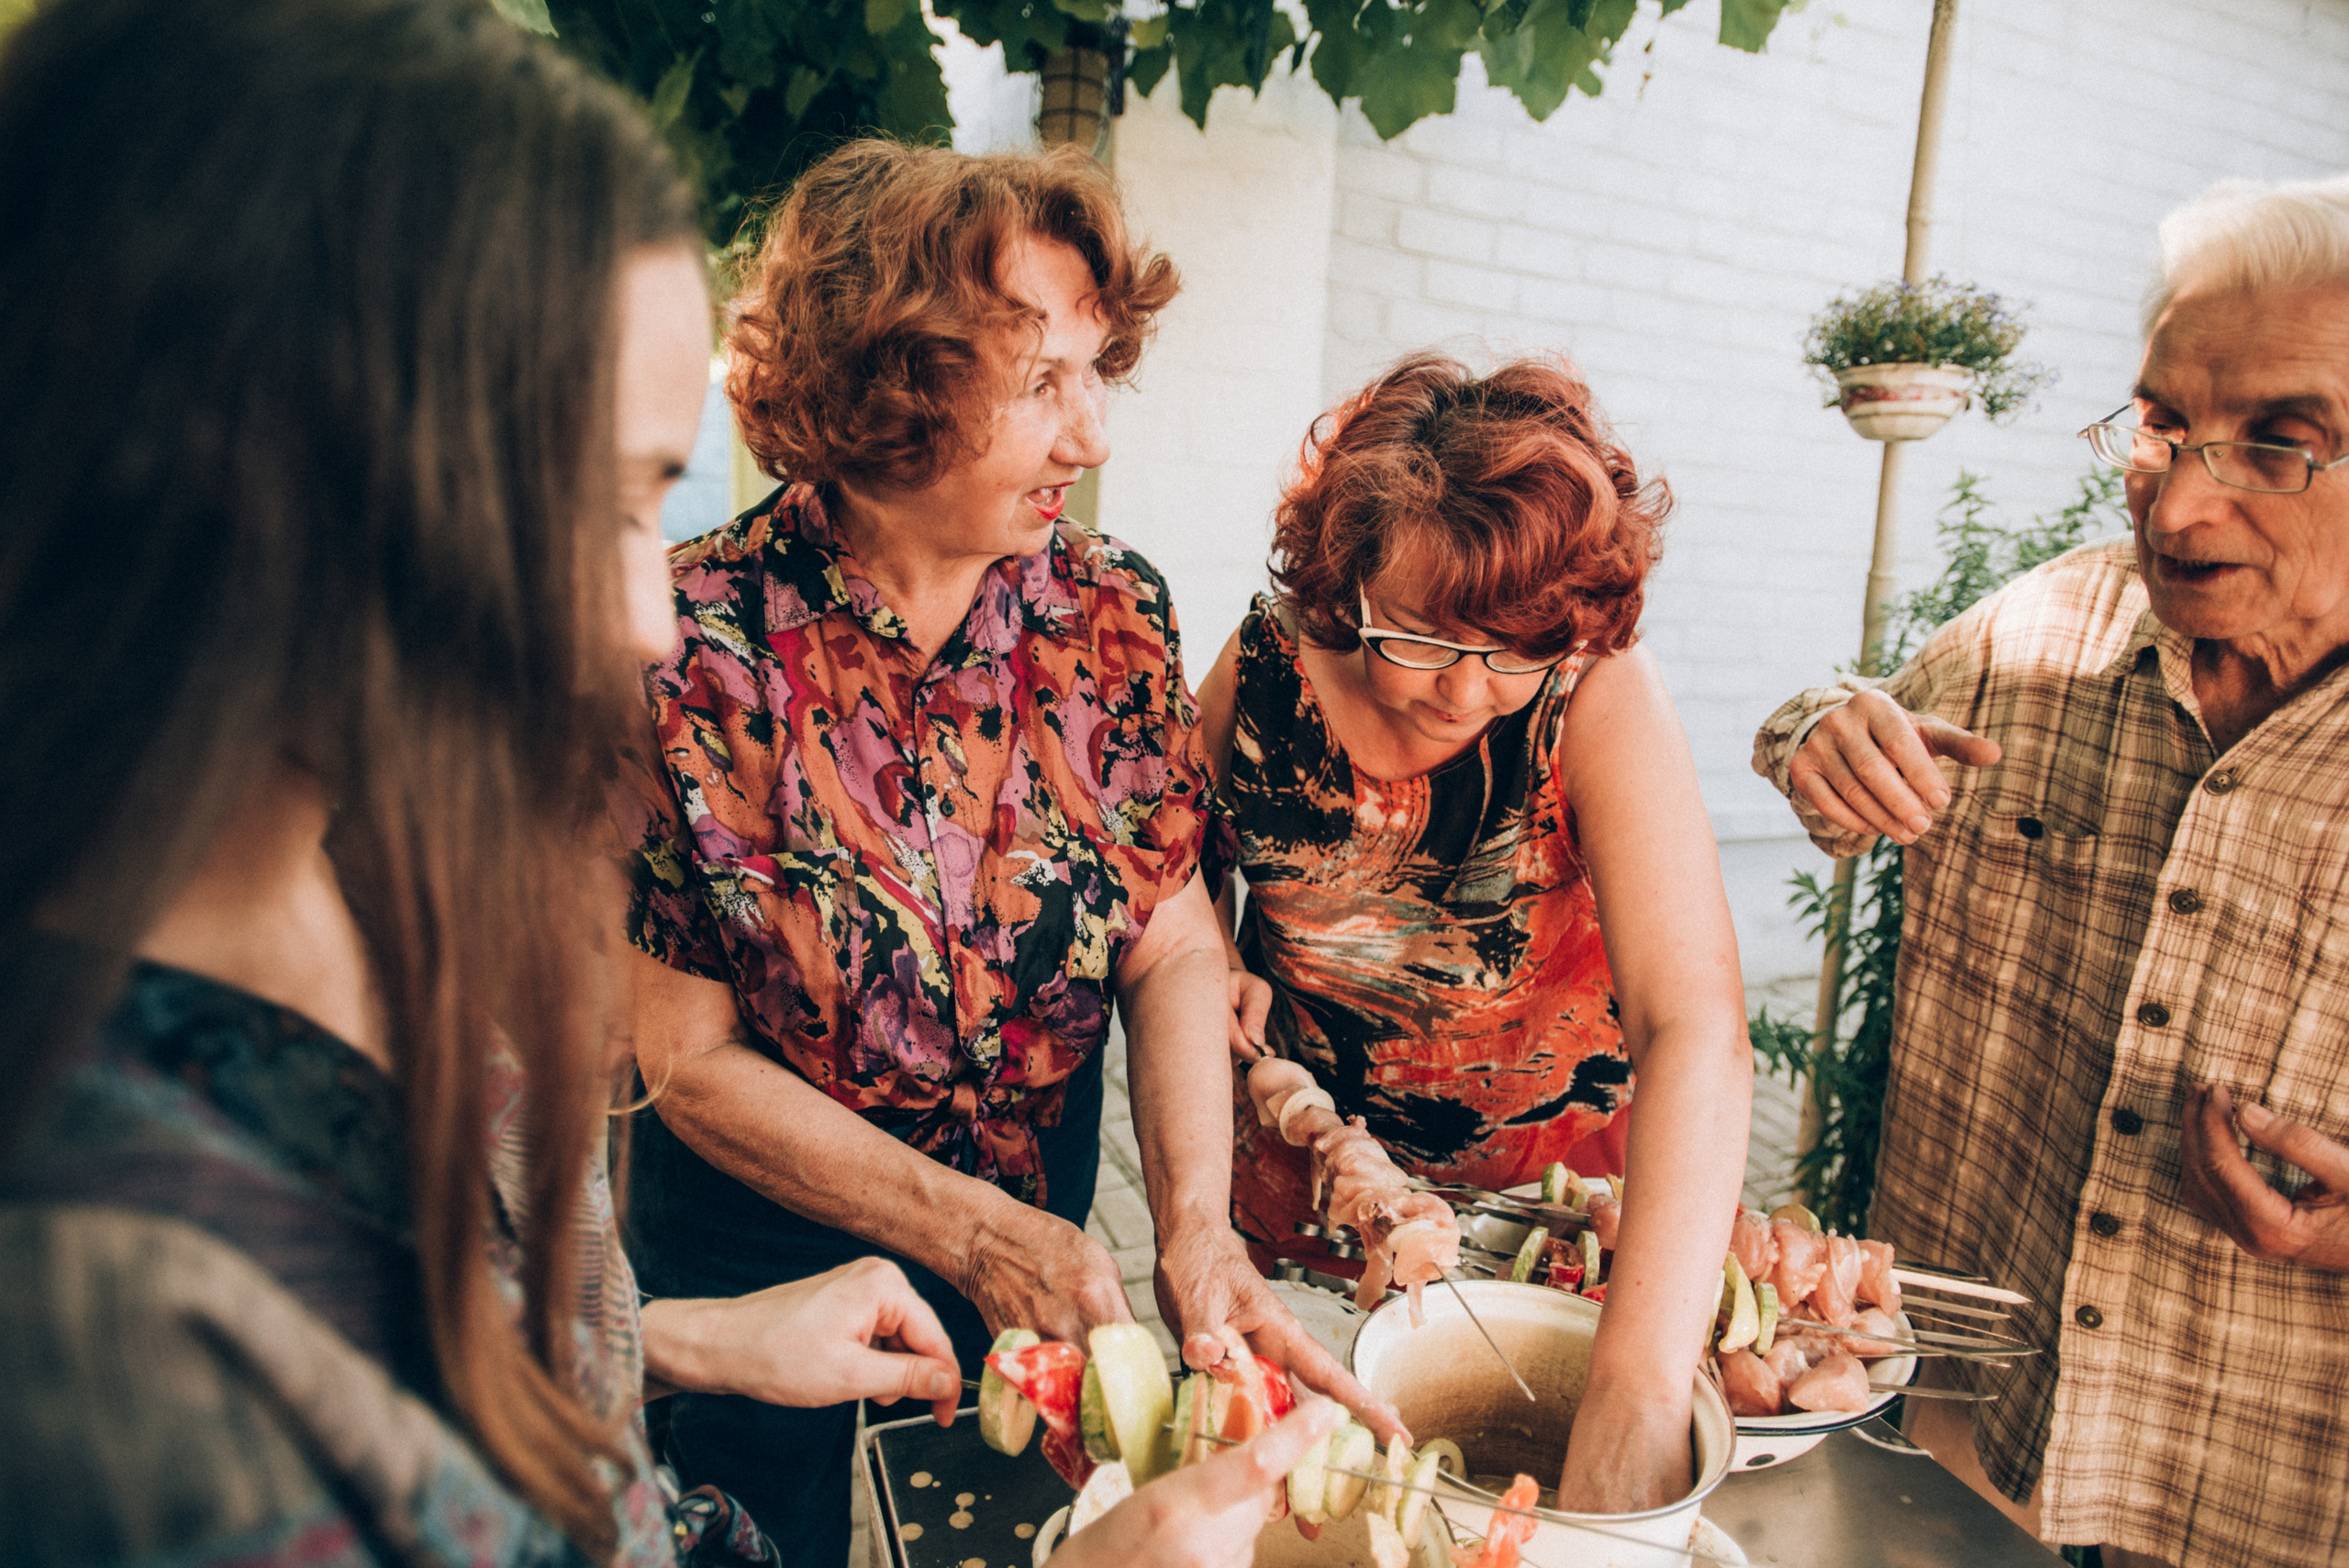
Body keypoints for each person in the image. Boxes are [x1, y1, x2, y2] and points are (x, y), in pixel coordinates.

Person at [0, 3, 1334, 1565]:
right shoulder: (116, 1303)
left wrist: (687, 1338)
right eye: (612, 494)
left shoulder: (391, 951)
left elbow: (550, 1415)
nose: (640, 611)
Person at [617, 138, 1392, 1558]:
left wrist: (1197, 1232)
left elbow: (1165, 937)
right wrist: (962, 1228)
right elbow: (684, 1062)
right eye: (1044, 383)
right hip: (757, 1286)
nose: (1092, 436)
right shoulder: (691, 648)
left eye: (1097, 374)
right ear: (887, 388)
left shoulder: (1115, 612)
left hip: (1039, 1266)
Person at [1753, 173, 2349, 1568]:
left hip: (2244, 1489)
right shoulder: (2053, 623)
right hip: (1958, 1428)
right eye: (2162, 426)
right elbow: (1839, 730)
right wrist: (1814, 740)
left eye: (2281, 443)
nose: (2183, 506)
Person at [1197, 352, 1755, 1512]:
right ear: (1344, 580)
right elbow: (1173, 874)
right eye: (1419, 638)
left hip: (1546, 1243)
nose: (1463, 693)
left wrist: (1638, 1388)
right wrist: (1209, 947)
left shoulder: (1595, 689)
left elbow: (1691, 1020)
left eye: (1515, 650)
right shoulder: (1264, 665)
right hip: (1317, 1211)